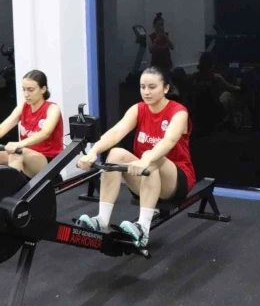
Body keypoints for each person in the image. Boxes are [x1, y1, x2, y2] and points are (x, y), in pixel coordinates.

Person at [75, 66, 196, 247]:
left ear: (165, 88)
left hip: (175, 180)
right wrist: (93, 152)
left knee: (152, 156)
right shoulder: (138, 109)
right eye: (142, 87)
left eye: (152, 87)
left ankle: (143, 229)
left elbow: (169, 140)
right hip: (146, 176)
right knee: (115, 153)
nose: (146, 92)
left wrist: (147, 158)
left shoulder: (178, 112)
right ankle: (102, 220)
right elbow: (115, 133)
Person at [0, 70, 63, 179]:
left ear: (43, 89)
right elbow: (1, 128)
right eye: (24, 89)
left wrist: (20, 144)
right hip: (25, 153)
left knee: (15, 154)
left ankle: (15, 189)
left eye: (31, 90)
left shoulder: (52, 108)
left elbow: (45, 133)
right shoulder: (23, 107)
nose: (26, 94)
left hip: (47, 160)